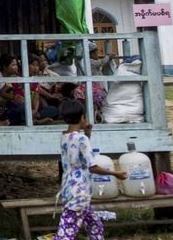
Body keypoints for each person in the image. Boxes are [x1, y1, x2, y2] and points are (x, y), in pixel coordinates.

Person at [54, 99, 127, 240]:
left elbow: (77, 152)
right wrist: (115, 173)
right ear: (82, 118)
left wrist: (87, 134)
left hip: (68, 187)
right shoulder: (81, 139)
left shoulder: (64, 136)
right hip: (79, 191)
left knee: (94, 224)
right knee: (66, 232)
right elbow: (92, 167)